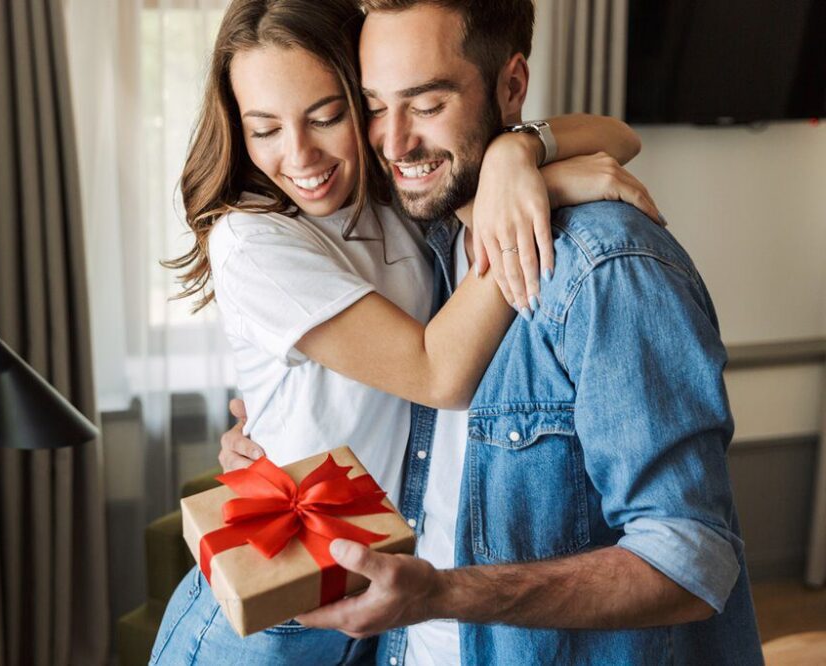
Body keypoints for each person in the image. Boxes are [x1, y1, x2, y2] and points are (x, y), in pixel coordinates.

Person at [222, 1, 762, 664]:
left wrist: (444, 595)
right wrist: (268, 432)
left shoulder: (602, 268)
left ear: (511, 87)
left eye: (427, 104)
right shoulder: (430, 222)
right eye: (373, 106)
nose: (393, 143)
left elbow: (691, 560)